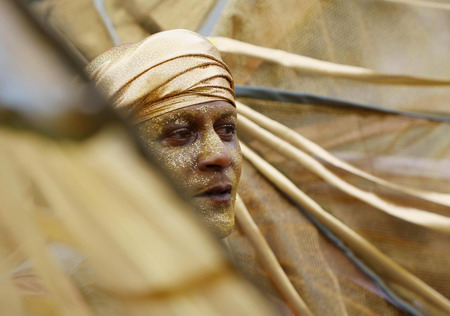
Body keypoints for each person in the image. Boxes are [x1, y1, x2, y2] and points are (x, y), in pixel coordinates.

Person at [87, 29, 242, 238]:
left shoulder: (216, 263)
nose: (221, 156)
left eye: (226, 129)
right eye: (181, 133)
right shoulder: (61, 270)